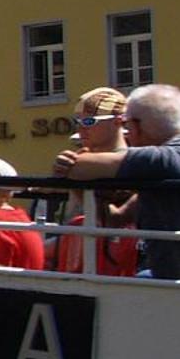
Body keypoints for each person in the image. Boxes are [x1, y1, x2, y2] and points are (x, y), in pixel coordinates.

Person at [57, 82, 180, 279]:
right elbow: (116, 218)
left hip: (176, 285)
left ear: (136, 126)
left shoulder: (161, 160)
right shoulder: (174, 161)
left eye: (127, 125)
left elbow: (77, 167)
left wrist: (69, 164)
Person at [50, 87, 139, 276]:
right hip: (77, 254)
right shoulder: (79, 158)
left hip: (113, 263)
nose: (81, 128)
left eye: (89, 122)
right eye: (78, 122)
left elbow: (112, 220)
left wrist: (75, 178)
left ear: (118, 122)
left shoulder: (136, 162)